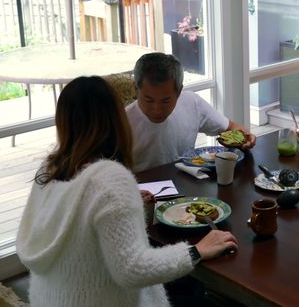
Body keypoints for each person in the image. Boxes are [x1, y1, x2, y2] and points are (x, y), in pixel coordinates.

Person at [16, 76, 238, 306]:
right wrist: (197, 251)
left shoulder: (48, 168)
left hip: (52, 299)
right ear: (115, 119)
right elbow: (133, 269)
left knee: (188, 288)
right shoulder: (109, 180)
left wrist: (127, 203)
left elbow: (74, 221)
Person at [126, 52, 256, 172]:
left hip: (188, 184)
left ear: (179, 92)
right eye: (149, 100)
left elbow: (230, 127)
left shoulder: (191, 102)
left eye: (165, 101)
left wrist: (245, 137)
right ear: (135, 89)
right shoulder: (122, 122)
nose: (157, 109)